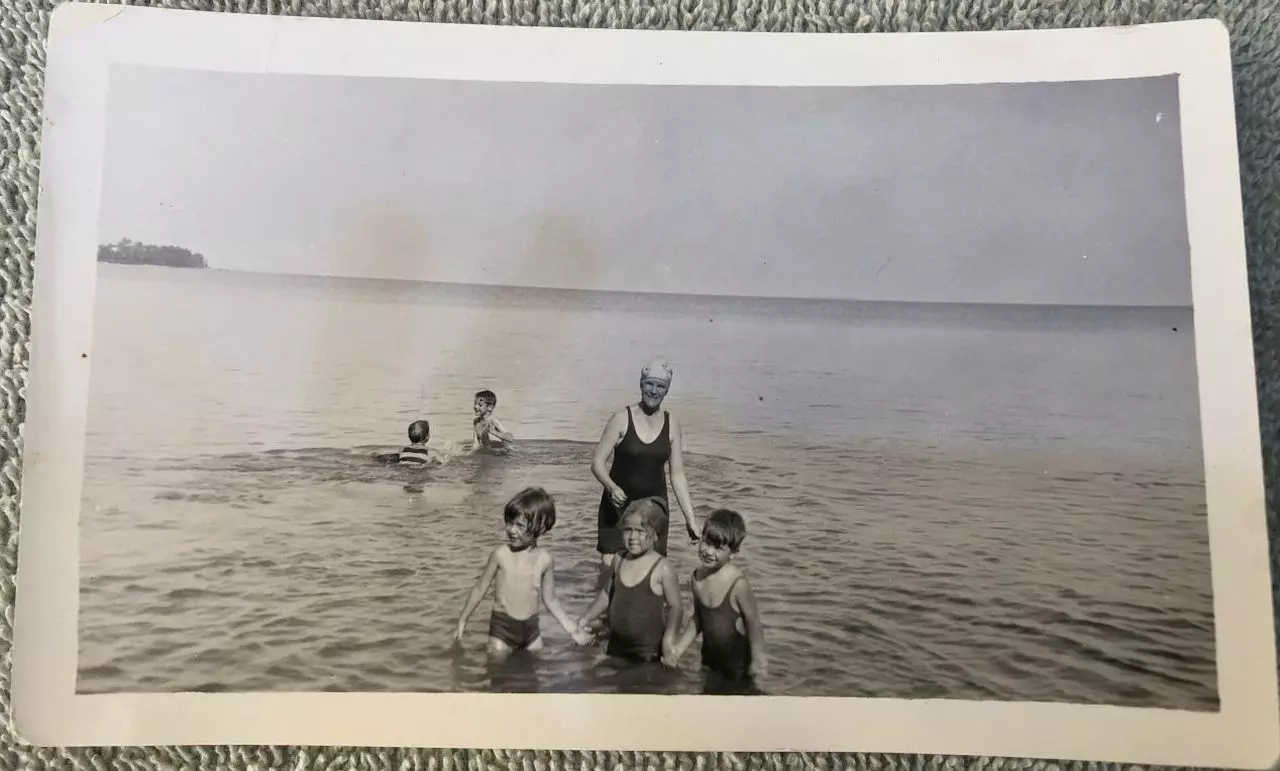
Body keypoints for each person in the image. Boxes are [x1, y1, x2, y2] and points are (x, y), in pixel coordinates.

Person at [454, 487, 591, 658]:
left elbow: (551, 600)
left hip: (531, 631)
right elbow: (480, 589)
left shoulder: (544, 559)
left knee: (531, 679)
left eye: (519, 525)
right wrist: (462, 620)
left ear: (540, 529)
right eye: (509, 522)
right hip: (502, 629)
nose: (511, 530)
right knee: (497, 674)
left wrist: (571, 629)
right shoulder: (501, 554)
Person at [591, 359, 699, 565]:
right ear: (641, 384)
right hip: (617, 507)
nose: (654, 391)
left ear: (667, 391)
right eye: (649, 384)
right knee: (610, 572)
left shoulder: (672, 424)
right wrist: (611, 488)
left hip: (654, 510)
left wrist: (690, 519)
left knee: (651, 574)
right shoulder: (621, 418)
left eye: (661, 386)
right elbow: (597, 463)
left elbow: (677, 474)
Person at [665, 508, 768, 682]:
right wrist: (678, 649)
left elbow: (754, 623)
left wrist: (758, 659)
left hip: (738, 666)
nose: (708, 551)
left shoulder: (738, 584)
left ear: (733, 554)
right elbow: (698, 619)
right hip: (709, 662)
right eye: (706, 542)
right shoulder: (697, 577)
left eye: (718, 548)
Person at [575, 498, 683, 663]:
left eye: (640, 531)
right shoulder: (619, 560)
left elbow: (676, 607)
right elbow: (605, 595)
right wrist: (585, 619)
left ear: (655, 535)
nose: (633, 536)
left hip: (649, 649)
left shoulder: (662, 568)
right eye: (628, 530)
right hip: (616, 645)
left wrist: (669, 642)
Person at [374, 419, 444, 466]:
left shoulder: (402, 449)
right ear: (427, 437)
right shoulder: (430, 452)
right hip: (420, 471)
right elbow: (444, 462)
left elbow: (378, 452)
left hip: (403, 469)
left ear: (409, 436)